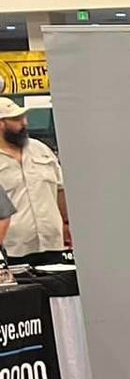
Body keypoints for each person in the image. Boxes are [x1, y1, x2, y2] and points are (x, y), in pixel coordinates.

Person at [0, 95, 68, 261]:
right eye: (16, 119)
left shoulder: (42, 150)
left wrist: (67, 224)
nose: (24, 123)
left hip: (53, 244)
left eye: (23, 117)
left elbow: (60, 189)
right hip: (13, 250)